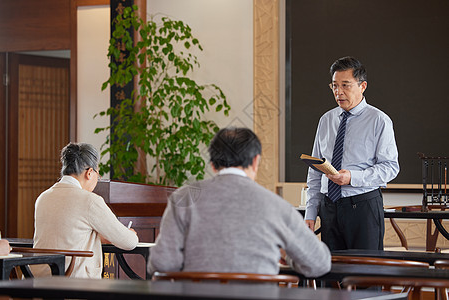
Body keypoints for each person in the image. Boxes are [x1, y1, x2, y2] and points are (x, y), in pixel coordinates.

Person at [148, 127, 331, 277]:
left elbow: (161, 263)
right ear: (255, 161)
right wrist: (286, 254)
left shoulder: (184, 198)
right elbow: (319, 263)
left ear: (212, 164)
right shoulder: (277, 205)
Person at [304, 56, 399, 250]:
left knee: (366, 274)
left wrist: (352, 177)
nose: (339, 92)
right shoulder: (326, 120)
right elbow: (315, 170)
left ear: (362, 86)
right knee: (330, 274)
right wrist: (310, 213)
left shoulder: (379, 120)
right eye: (334, 86)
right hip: (329, 206)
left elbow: (391, 167)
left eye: (345, 85)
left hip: (362, 206)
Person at [33, 142, 139, 278]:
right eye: (97, 174)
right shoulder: (90, 201)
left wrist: (96, 237)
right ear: (89, 173)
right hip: (74, 284)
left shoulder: (43, 197)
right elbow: (128, 242)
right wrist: (130, 233)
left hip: (37, 282)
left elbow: (66, 235)